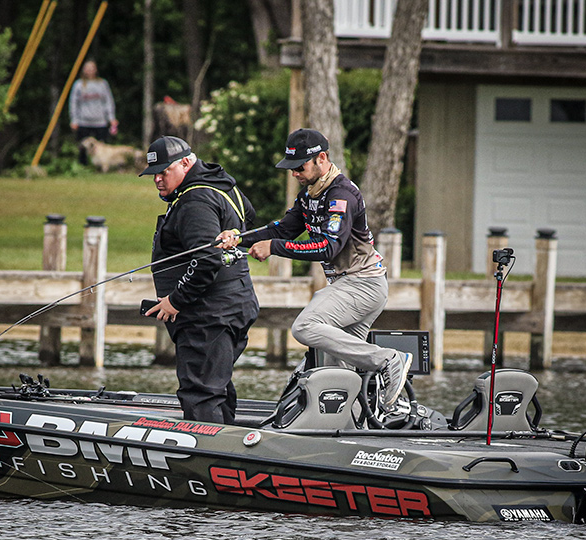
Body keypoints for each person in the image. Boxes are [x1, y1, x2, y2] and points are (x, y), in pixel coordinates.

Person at [217, 128, 411, 412]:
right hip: (349, 286)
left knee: (305, 327)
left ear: (322, 158)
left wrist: (274, 248)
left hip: (362, 285)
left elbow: (327, 247)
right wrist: (238, 238)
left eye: (300, 167)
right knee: (336, 373)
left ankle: (388, 360)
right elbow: (282, 229)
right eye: (291, 168)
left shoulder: (341, 195)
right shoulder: (309, 194)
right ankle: (354, 422)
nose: (295, 173)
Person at [139, 136, 259, 424]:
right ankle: (227, 444)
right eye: (153, 174)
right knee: (215, 383)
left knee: (201, 392)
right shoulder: (222, 183)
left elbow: (206, 260)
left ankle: (206, 450)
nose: (157, 179)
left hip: (209, 314)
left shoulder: (195, 200)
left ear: (185, 163)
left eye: (164, 172)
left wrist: (175, 300)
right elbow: (249, 216)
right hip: (236, 303)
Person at [69, 60, 118, 166]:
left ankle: (101, 167)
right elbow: (73, 103)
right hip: (83, 121)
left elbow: (108, 101)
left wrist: (111, 118)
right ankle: (83, 167)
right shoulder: (79, 85)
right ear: (84, 70)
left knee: (102, 147)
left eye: (92, 68)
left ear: (96, 70)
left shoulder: (102, 84)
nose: (90, 70)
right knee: (83, 147)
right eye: (88, 68)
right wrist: (74, 120)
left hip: (100, 121)